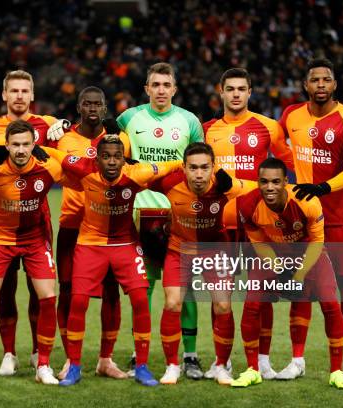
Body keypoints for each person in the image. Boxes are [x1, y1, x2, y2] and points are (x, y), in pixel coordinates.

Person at [42, 136, 182, 387]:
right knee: (78, 300)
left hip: (126, 246)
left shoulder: (136, 173)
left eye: (117, 156)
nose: (112, 162)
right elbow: (54, 154)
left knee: (140, 299)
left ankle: (141, 366)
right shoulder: (84, 168)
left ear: (124, 158)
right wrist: (35, 148)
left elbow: (171, 164)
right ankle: (74, 366)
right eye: (106, 156)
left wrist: (190, 165)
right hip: (90, 245)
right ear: (96, 159)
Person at [277, 58, 343, 382]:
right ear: (305, 85)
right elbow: (276, 144)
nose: (320, 85)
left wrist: (322, 187)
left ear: (334, 85)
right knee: (301, 289)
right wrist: (294, 176)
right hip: (304, 221)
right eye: (314, 79)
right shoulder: (291, 115)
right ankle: (297, 361)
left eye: (325, 80)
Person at [231, 158, 343, 390]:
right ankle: (252, 370)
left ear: (286, 182)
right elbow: (258, 241)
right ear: (257, 182)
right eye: (264, 182)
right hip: (271, 252)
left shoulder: (307, 202)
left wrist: (298, 274)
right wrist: (278, 268)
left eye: (276, 182)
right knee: (252, 304)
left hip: (308, 251)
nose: (270, 187)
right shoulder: (247, 205)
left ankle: (337, 371)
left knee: (330, 302)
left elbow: (317, 241)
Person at [117, 62, 206, 378]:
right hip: (139, 215)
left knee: (185, 289)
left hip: (178, 217)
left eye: (166, 84)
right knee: (142, 289)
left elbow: (200, 166)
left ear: (174, 88)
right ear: (146, 88)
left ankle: (190, 356)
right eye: (155, 84)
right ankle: (137, 354)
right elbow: (113, 152)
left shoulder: (189, 121)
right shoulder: (128, 119)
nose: (161, 90)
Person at [205, 67, 294, 380]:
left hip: (260, 223)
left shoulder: (269, 127)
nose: (236, 94)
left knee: (262, 294)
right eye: (230, 89)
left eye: (241, 89)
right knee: (221, 295)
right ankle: (222, 361)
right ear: (221, 92)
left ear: (250, 92)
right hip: (220, 223)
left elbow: (290, 166)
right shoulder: (207, 129)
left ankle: (264, 362)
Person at [0, 69, 62, 374]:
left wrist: (64, 128)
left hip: (38, 221)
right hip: (0, 220)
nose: (20, 96)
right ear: (4, 95)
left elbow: (66, 156)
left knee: (40, 290)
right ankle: (8, 353)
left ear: (32, 95)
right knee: (4, 289)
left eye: (25, 91)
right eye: (14, 91)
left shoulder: (49, 125)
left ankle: (39, 352)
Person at [147, 142, 251, 385]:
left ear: (213, 168)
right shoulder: (169, 183)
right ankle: (172, 365)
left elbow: (259, 188)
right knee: (172, 303)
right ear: (184, 168)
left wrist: (234, 185)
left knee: (223, 306)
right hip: (178, 250)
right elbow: (139, 177)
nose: (199, 174)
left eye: (205, 167)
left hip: (216, 249)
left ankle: (222, 366)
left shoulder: (225, 186)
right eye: (193, 168)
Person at [55, 86, 129, 380]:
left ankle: (105, 359)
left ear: (105, 107)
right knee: (69, 291)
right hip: (73, 225)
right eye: (87, 104)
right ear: (79, 107)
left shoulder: (119, 141)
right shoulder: (64, 140)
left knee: (111, 292)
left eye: (98, 104)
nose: (93, 108)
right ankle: (69, 359)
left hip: (110, 226)